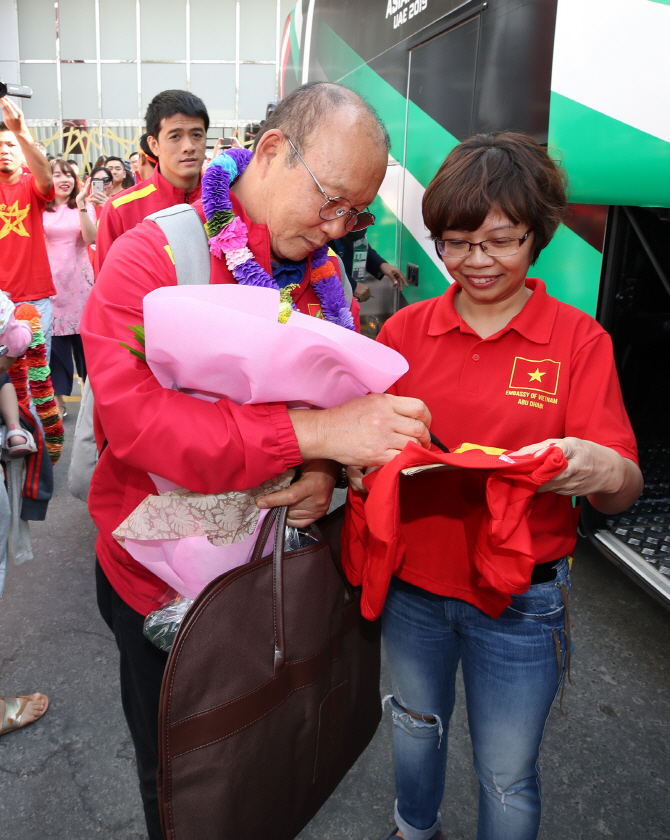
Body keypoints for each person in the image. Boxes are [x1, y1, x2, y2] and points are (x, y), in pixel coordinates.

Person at [81, 80, 431, 840]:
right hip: (155, 585)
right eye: (330, 200)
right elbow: (136, 425)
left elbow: (327, 409)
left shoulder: (324, 275)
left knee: (263, 755)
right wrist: (317, 439)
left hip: (266, 569)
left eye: (356, 214)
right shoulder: (154, 254)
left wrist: (323, 475)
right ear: (272, 151)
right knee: (184, 777)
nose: (339, 227)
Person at [345, 131, 643, 840]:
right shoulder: (405, 333)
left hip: (520, 599)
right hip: (415, 585)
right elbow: (365, 444)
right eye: (455, 242)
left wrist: (592, 466)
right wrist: (358, 466)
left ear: (536, 236)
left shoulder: (578, 342)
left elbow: (623, 488)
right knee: (416, 726)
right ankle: (414, 829)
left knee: (507, 770)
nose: (475, 262)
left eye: (500, 241)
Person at [94, 90, 208, 273]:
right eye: (175, 136)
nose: (188, 147)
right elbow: (107, 288)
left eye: (196, 135)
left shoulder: (230, 200)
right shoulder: (120, 210)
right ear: (154, 145)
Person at [0, 97, 57, 361]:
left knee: (37, 381)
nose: (5, 150)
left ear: (22, 152)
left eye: (11, 145)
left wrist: (21, 131)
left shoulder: (30, 184)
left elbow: (45, 179)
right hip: (1, 302)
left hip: (33, 299)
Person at [43, 159, 95, 417]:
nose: (64, 179)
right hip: (50, 286)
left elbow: (91, 238)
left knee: (85, 345)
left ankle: (89, 401)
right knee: (57, 347)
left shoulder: (83, 206)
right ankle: (59, 401)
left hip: (80, 284)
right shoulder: (40, 208)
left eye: (69, 175)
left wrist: (84, 204)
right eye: (57, 174)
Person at [332, 230, 408, 302]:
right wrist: (351, 285)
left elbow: (359, 244)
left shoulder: (355, 225)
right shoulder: (325, 230)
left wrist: (381, 264)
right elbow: (323, 262)